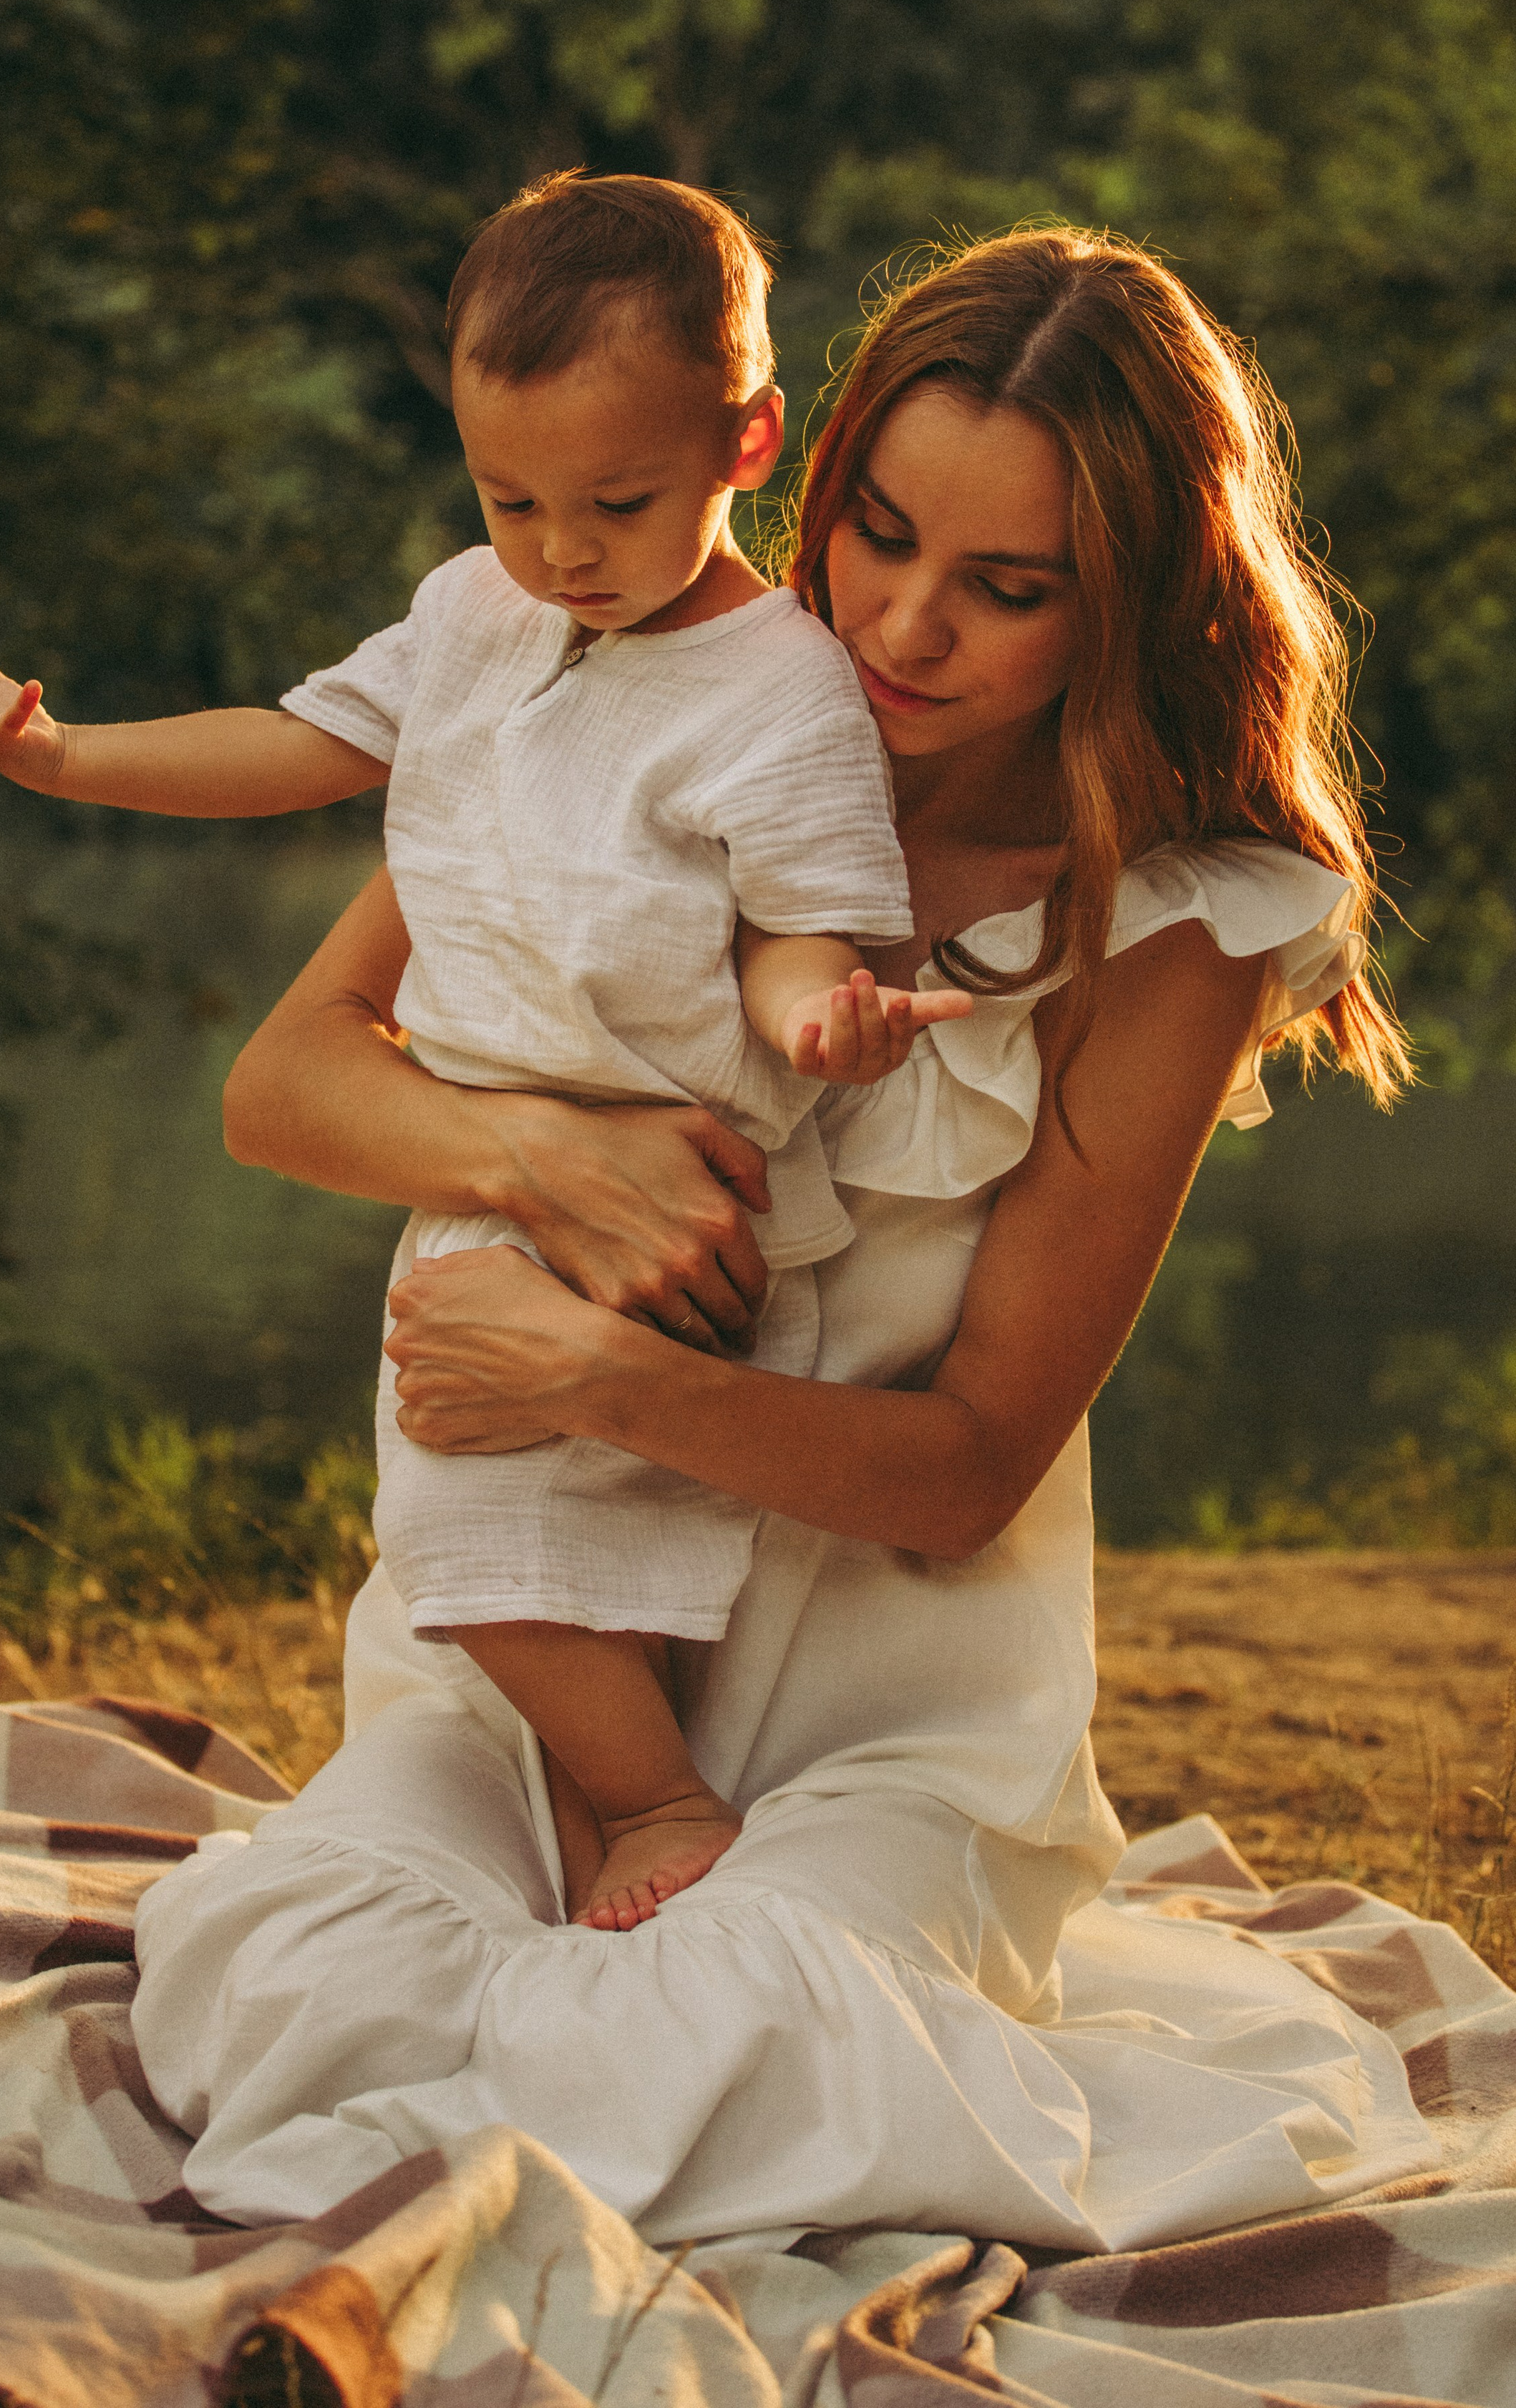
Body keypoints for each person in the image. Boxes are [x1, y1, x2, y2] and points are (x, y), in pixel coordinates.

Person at [128, 225, 1439, 2255]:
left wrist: (603, 1374)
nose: (904, 625)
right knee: (306, 1984)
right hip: (541, 1675)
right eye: (878, 537)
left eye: (1007, 588)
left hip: (882, 1733)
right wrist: (545, 1163)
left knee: (748, 2039)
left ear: (1130, 599)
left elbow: (971, 1466)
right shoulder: (618, 702)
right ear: (801, 479)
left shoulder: (1171, 923)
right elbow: (283, 1086)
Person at [0, 173, 967, 1929]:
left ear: (745, 442)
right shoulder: (471, 619)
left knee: (491, 1539)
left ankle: (658, 1805)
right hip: (483, 1158)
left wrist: (822, 1019)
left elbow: (794, 934)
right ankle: (618, 1828)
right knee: (496, 1541)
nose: (560, 551)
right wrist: (66, 757)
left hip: (664, 1182)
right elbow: (297, 745)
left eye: (615, 503)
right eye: (509, 499)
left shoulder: (782, 690)